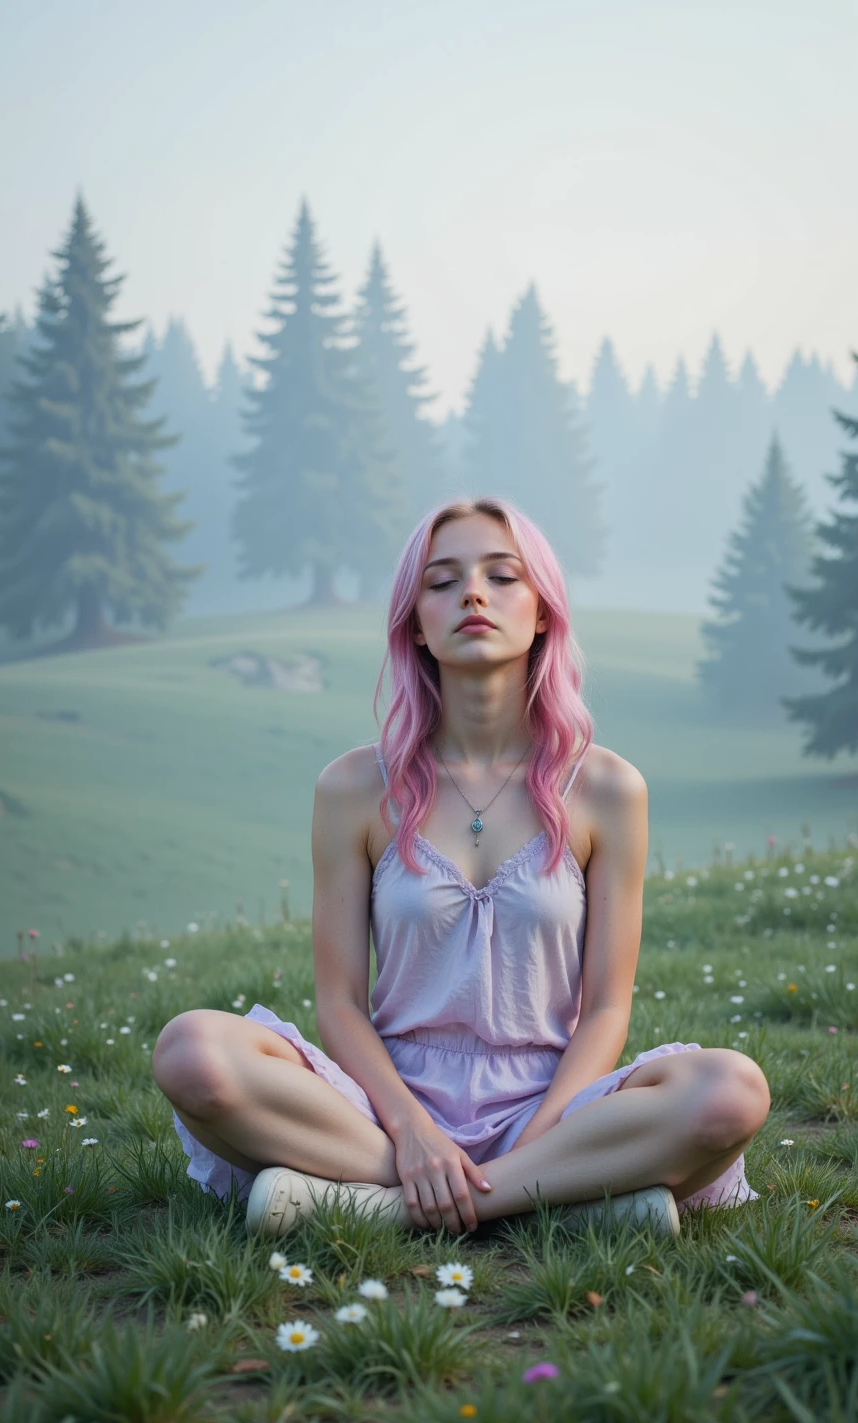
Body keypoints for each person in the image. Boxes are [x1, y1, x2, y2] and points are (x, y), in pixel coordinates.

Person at [152, 497, 770, 1239]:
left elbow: (606, 1008)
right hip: (379, 1112)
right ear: (415, 623)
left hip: (550, 1109)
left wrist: (544, 1132)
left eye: (502, 576)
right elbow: (340, 1003)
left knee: (731, 1091)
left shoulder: (607, 789)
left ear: (543, 611)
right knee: (191, 1051)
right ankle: (555, 1203)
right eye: (442, 583)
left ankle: (389, 1208)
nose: (472, 594)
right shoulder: (354, 789)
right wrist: (412, 1130)